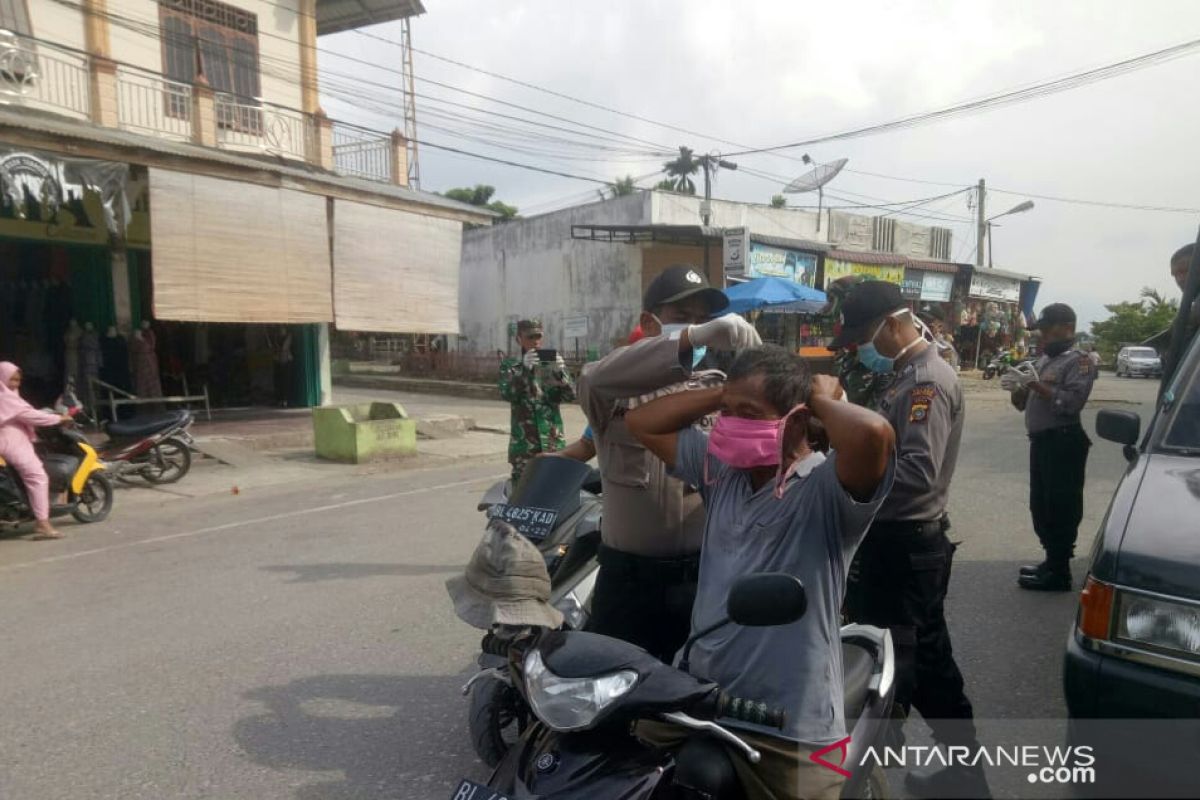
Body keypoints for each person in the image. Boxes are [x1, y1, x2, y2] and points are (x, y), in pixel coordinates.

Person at [626, 345, 895, 800]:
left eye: (747, 413)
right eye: (727, 414)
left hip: (790, 722)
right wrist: (722, 396)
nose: (729, 424)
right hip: (704, 696)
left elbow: (872, 433)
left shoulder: (827, 489)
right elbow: (642, 421)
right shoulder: (721, 472)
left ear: (795, 419)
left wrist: (823, 399)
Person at [835, 283, 988, 798]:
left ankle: (965, 775)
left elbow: (918, 474)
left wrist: (843, 478)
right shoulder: (901, 375)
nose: (860, 346)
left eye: (864, 334)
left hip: (907, 547)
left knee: (920, 666)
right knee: (905, 660)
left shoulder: (926, 381)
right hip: (889, 545)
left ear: (893, 322)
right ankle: (950, 771)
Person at [577, 264, 759, 662]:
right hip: (628, 579)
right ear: (649, 321)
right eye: (682, 319)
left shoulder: (717, 389)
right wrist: (691, 339)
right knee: (612, 689)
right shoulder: (613, 390)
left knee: (692, 692)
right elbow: (591, 379)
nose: (695, 329)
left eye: (702, 321)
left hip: (700, 576)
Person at [1001, 303, 1096, 591]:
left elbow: (1070, 404)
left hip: (1064, 441)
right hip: (1042, 442)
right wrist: (1017, 389)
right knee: (1040, 505)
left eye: (1047, 330)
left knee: (1061, 506)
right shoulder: (1044, 361)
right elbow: (1026, 403)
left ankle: (1060, 570)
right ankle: (1051, 560)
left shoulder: (1080, 362)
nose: (1042, 337)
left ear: (1067, 328)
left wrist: (1036, 386)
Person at [0, 362, 72, 540]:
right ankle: (42, 523)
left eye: (18, 380)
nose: (15, 384)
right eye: (11, 380)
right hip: (10, 441)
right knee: (37, 476)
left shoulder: (9, 396)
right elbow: (30, 416)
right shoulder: (5, 398)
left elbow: (26, 411)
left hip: (12, 439)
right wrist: (58, 418)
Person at [498, 320, 575, 484]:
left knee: (553, 491)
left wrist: (561, 374)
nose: (535, 341)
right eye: (530, 337)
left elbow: (571, 396)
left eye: (538, 336)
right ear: (519, 339)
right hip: (525, 444)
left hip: (552, 442)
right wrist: (524, 370)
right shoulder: (511, 366)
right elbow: (508, 394)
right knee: (523, 493)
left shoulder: (550, 364)